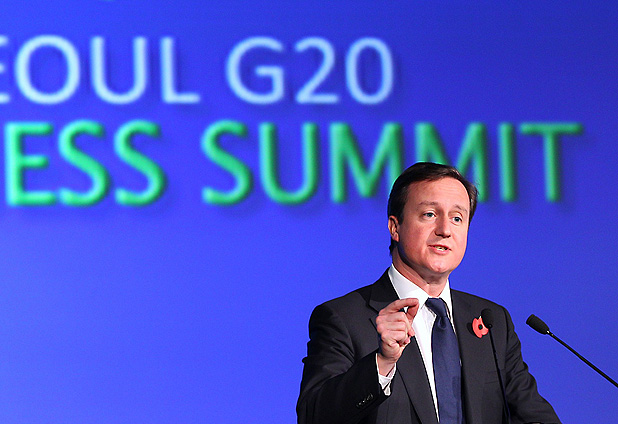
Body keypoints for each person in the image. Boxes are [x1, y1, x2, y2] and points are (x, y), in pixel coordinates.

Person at [297, 162, 560, 424]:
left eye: (457, 218)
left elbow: (534, 416)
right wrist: (382, 362)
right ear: (395, 227)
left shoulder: (493, 322)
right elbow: (313, 416)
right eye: (429, 214)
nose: (445, 230)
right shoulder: (344, 318)